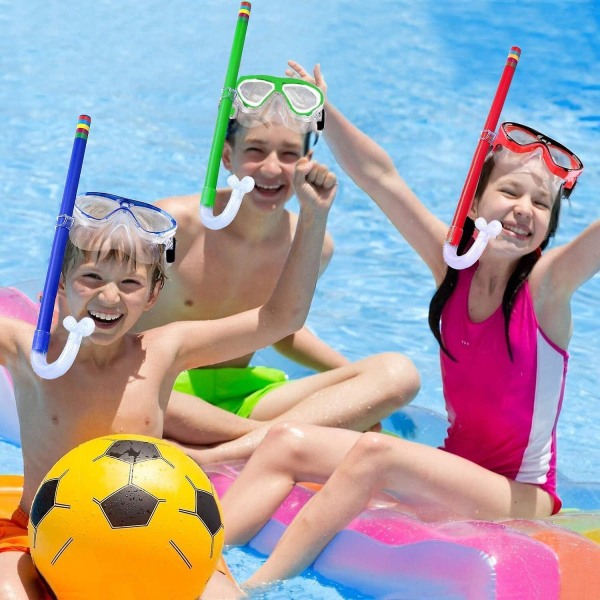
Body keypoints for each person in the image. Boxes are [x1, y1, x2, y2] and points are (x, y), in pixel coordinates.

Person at [217, 61, 595, 589]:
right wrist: (324, 111)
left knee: (376, 452)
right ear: (474, 199)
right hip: (455, 468)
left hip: (521, 492)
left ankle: (256, 587)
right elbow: (380, 178)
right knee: (286, 442)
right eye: (510, 192)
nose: (523, 210)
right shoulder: (452, 267)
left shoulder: (544, 289)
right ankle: (207, 561)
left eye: (541, 204)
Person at [0, 155, 336, 599]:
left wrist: (313, 217)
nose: (108, 296)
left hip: (158, 540)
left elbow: (280, 318)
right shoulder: (26, 350)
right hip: (38, 533)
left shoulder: (160, 352)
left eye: (130, 284)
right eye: (91, 277)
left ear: (155, 294)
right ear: (60, 282)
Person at [137, 75, 420, 465]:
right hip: (163, 390)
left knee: (397, 373)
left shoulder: (313, 241)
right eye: (255, 150)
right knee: (140, 390)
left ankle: (233, 448)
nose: (271, 168)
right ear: (227, 156)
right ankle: (265, 441)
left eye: (289, 154)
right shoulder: (171, 224)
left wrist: (355, 381)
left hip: (244, 398)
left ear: (307, 162)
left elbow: (282, 328)